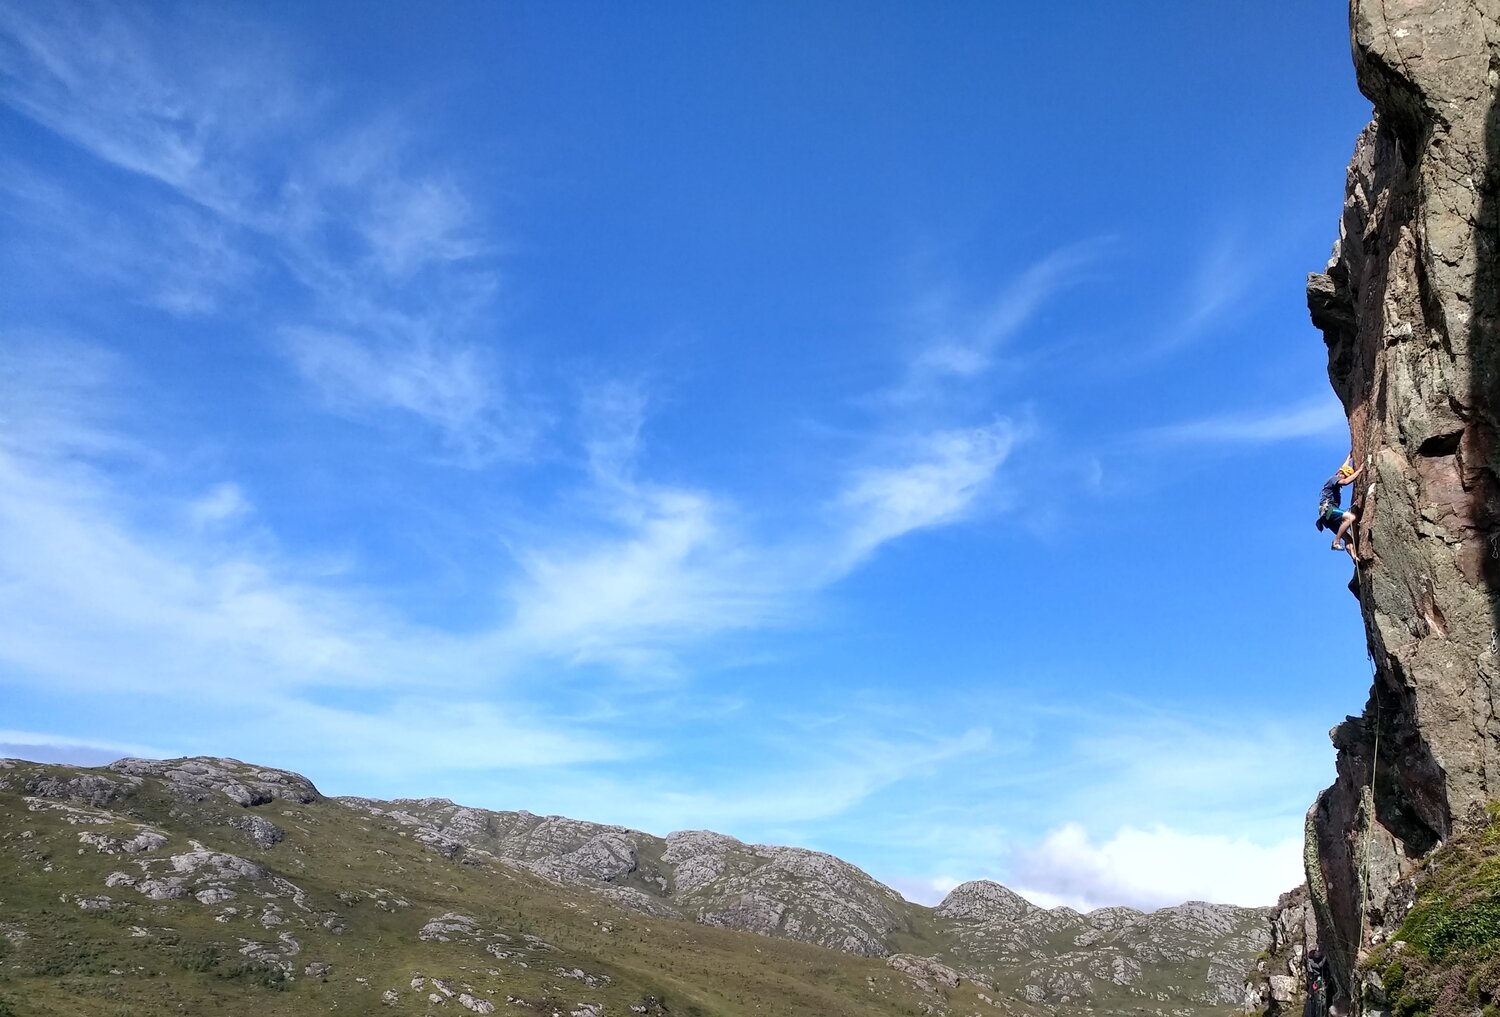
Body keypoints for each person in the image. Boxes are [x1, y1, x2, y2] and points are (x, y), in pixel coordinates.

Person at [1318, 459, 1364, 559]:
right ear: (1340, 473)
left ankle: (1354, 558)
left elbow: (1343, 467)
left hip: (1327, 518)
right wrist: (1359, 471)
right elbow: (1345, 481)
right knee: (1350, 518)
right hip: (1328, 510)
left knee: (1348, 539)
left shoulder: (1337, 476)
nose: (1345, 477)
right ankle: (1336, 541)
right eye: (1345, 475)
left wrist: (1350, 456)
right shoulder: (1334, 478)